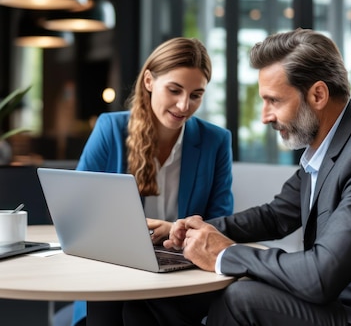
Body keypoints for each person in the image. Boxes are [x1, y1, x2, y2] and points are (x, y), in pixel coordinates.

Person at [121, 28, 351, 325]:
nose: (265, 116)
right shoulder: (328, 146)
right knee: (156, 300)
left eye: (274, 101)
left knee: (241, 297)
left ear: (317, 94)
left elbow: (319, 276)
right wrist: (184, 230)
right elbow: (275, 215)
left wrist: (225, 253)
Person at [66, 37, 234, 326]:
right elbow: (75, 212)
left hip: (182, 273)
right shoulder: (111, 129)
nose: (184, 105)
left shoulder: (215, 141)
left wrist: (177, 233)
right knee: (120, 305)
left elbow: (219, 221)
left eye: (196, 95)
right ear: (148, 81)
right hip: (116, 269)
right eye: (174, 90)